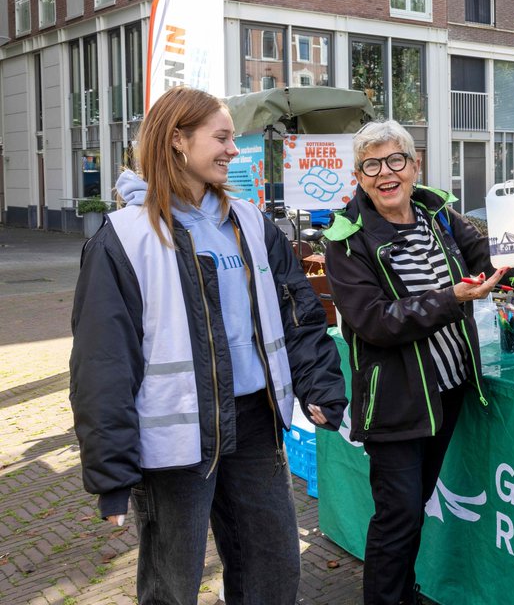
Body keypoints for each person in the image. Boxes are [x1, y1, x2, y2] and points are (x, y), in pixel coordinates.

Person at [69, 86, 347, 605]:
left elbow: (299, 315)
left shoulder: (251, 222)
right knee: (172, 586)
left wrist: (321, 384)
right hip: (176, 442)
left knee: (273, 570)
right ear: (178, 139)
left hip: (256, 424)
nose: (233, 150)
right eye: (221, 138)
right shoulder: (123, 237)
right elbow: (102, 362)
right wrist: (111, 472)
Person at [323, 120, 514, 605]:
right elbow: (373, 322)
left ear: (415, 166)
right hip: (395, 401)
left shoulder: (438, 216)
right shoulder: (347, 239)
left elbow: (495, 265)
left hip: (447, 390)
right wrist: (450, 298)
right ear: (359, 177)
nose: (385, 173)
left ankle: (403, 592)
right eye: (371, 165)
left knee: (414, 503)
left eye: (395, 160)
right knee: (398, 515)